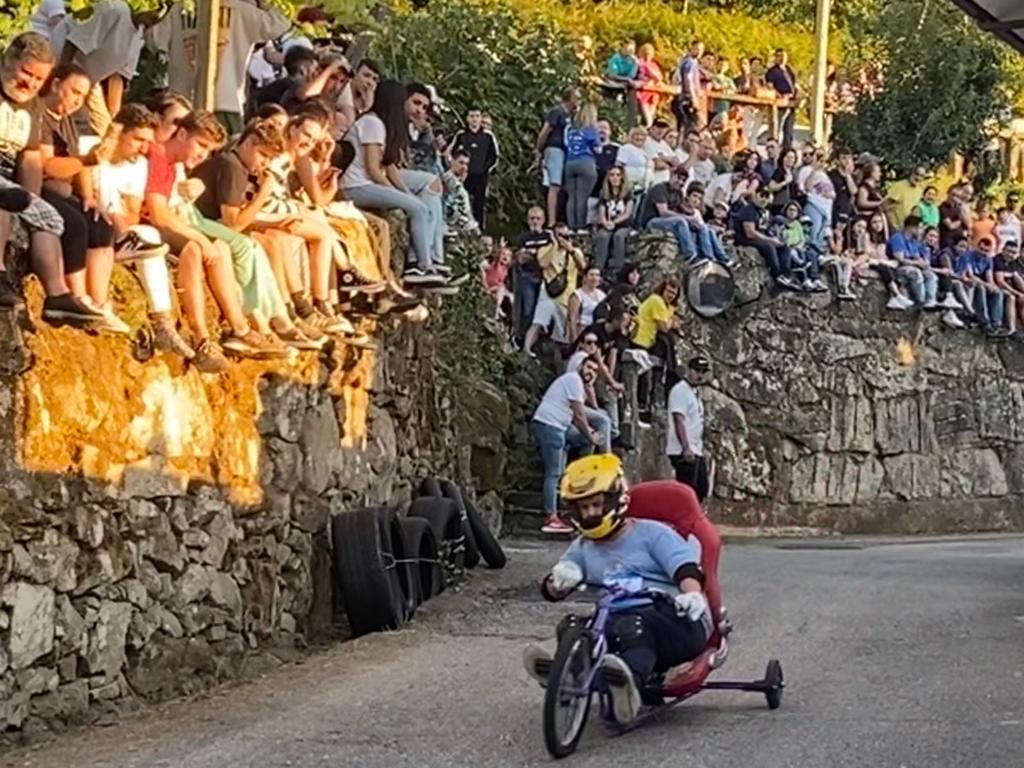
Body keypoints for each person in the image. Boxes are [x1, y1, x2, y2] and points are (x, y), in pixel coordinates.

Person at [522, 453, 712, 725]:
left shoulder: (652, 534)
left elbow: (685, 567)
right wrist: (557, 582)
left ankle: (628, 687)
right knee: (573, 625)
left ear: (615, 499)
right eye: (582, 508)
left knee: (631, 625)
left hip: (676, 620)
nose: (589, 514)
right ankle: (567, 677)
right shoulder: (583, 547)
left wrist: (692, 594)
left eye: (596, 505)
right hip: (614, 618)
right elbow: (553, 590)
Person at [0, 32, 104, 325]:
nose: (30, 84)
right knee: (6, 201)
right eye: (26, 73)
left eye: (37, 79)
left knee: (50, 218)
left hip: (10, 180)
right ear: (9, 61)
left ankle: (57, 296)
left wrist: (32, 201)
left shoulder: (32, 106)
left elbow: (31, 157)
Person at [342, 79, 447, 286]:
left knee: (423, 196)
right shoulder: (372, 123)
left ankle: (433, 258)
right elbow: (373, 169)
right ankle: (421, 267)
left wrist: (404, 192)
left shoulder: (381, 124)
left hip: (366, 183)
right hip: (355, 186)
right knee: (417, 208)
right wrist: (400, 195)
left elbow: (388, 166)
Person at [149, 0, 289, 135]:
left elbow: (153, 40)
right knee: (226, 152)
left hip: (184, 102)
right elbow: (280, 23)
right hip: (226, 101)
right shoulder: (242, 11)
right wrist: (265, 2)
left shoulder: (180, 10)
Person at [52, 0, 164, 137]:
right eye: (156, 7)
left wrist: (114, 119)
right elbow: (73, 42)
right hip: (61, 65)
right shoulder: (114, 10)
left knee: (106, 132)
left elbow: (117, 78)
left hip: (90, 82)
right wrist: (63, 77)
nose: (157, 17)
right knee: (63, 115)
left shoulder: (138, 36)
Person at [530, 357, 609, 535]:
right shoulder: (574, 379)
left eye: (595, 371)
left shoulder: (578, 385)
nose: (591, 372)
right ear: (580, 366)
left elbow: (578, 417)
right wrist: (591, 435)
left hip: (558, 427)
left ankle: (581, 473)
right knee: (553, 473)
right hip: (550, 426)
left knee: (586, 439)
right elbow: (579, 416)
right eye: (589, 367)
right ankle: (551, 517)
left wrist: (591, 436)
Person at [666, 356, 712, 503]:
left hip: (696, 448)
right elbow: (679, 420)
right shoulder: (680, 391)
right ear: (689, 370)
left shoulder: (695, 393)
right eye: (697, 370)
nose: (700, 375)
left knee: (701, 489)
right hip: (683, 449)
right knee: (687, 493)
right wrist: (686, 448)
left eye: (703, 372)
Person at [536, 87, 581, 227]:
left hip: (566, 151)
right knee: (554, 185)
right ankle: (551, 221)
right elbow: (545, 132)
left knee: (562, 186)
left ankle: (561, 217)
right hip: (555, 148)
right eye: (577, 97)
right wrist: (539, 150)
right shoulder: (557, 112)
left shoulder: (571, 115)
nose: (579, 100)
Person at [449, 108, 499, 229]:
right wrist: (457, 169)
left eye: (477, 116)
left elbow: (494, 156)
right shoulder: (461, 135)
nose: (474, 119)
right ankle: (461, 227)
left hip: (481, 176)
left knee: (479, 204)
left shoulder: (488, 136)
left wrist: (485, 169)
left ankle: (479, 230)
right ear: (467, 118)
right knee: (461, 200)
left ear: (481, 118)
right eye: (471, 116)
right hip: (464, 175)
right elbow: (451, 153)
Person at [563, 103, 600, 232]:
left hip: (570, 163)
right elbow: (598, 148)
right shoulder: (590, 129)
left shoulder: (572, 129)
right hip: (586, 161)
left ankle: (571, 226)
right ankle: (581, 227)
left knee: (572, 197)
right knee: (582, 196)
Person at [887, 214, 938, 309]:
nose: (921, 231)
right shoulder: (898, 238)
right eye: (920, 228)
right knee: (916, 273)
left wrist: (922, 262)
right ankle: (920, 301)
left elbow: (917, 257)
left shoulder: (915, 242)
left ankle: (930, 301)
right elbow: (900, 258)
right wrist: (917, 263)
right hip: (898, 268)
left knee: (930, 275)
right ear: (912, 228)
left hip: (912, 266)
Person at [592, 165, 634, 271]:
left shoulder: (628, 193)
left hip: (623, 225)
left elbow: (627, 213)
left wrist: (614, 222)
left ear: (622, 177)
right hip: (608, 224)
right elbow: (601, 212)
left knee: (619, 236)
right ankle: (599, 268)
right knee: (602, 236)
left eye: (618, 175)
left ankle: (618, 268)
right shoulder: (604, 193)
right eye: (612, 175)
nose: (615, 178)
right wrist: (605, 222)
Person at [764, 48, 798, 148]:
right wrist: (780, 95)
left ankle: (787, 150)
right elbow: (770, 87)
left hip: (791, 103)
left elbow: (795, 85)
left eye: (783, 56)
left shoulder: (789, 70)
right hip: (779, 104)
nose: (781, 58)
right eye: (779, 56)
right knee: (776, 129)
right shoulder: (772, 71)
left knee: (789, 131)